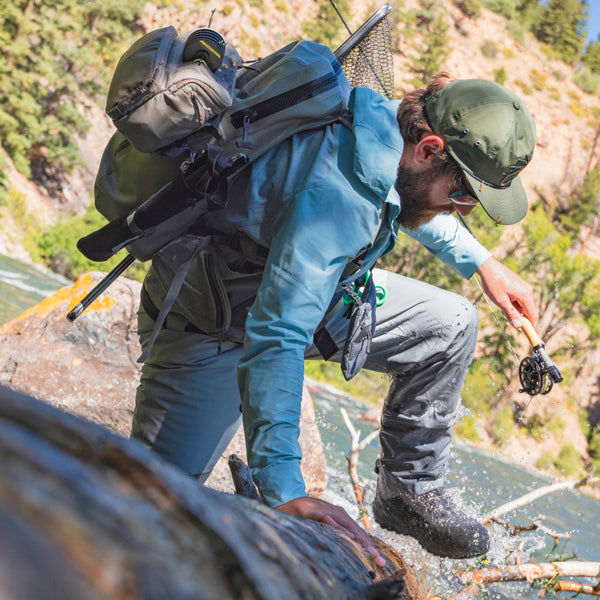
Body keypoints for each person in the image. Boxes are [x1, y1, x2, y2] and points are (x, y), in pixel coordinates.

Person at [131, 71, 538, 564]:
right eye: (464, 195)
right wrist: (284, 491)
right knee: (152, 516)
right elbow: (276, 336)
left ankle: (407, 493)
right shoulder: (337, 196)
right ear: (429, 149)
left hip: (316, 298)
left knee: (450, 324)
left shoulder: (382, 127)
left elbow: (403, 195)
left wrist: (484, 264)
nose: (463, 210)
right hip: (213, 325)